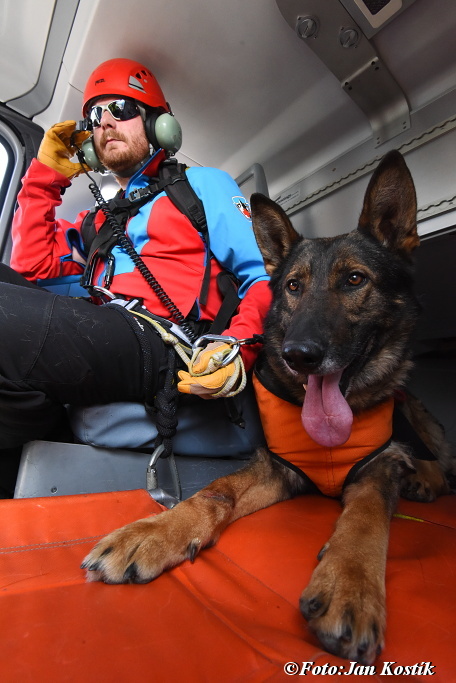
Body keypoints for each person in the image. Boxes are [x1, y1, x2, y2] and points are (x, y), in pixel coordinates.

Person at [0, 58, 271, 453]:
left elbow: (264, 275)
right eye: (95, 116)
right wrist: (44, 178)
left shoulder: (201, 184)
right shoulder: (98, 220)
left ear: (158, 123)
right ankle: (45, 437)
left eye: (121, 109)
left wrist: (236, 348)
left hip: (167, 343)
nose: (106, 122)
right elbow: (32, 269)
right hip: (110, 331)